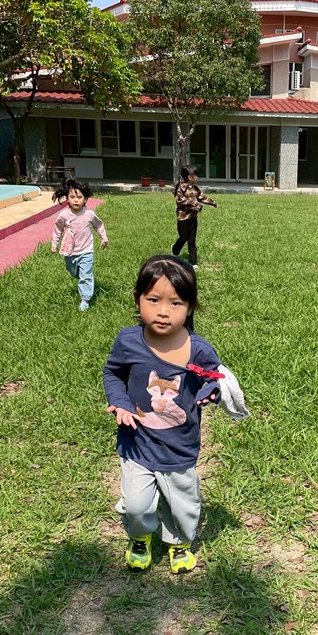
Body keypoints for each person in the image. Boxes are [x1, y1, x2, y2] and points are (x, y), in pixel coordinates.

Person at [103, 255, 225, 574]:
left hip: (179, 446)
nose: (163, 311)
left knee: (182, 504)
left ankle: (179, 542)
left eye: (175, 303)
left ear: (190, 307)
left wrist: (211, 390)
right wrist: (121, 402)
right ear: (138, 299)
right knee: (136, 504)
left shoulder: (198, 349)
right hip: (137, 443)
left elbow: (215, 378)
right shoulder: (128, 341)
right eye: (153, 299)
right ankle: (140, 537)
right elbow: (112, 372)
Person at [51, 178, 107, 312]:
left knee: (85, 275)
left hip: (86, 250)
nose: (76, 200)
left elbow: (98, 225)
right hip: (69, 251)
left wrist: (104, 238)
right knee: (73, 272)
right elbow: (58, 229)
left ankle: (85, 299)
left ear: (85, 199)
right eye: (72, 197)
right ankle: (85, 278)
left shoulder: (89, 214)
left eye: (79, 197)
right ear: (67, 198)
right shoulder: (64, 215)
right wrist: (54, 243)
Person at [171, 164, 217, 267]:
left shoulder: (196, 189)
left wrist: (212, 202)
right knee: (183, 237)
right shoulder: (181, 188)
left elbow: (202, 197)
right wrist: (196, 205)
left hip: (193, 217)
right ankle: (175, 249)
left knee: (191, 240)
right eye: (196, 175)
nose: (198, 177)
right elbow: (181, 201)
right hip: (183, 218)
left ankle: (193, 262)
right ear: (190, 177)